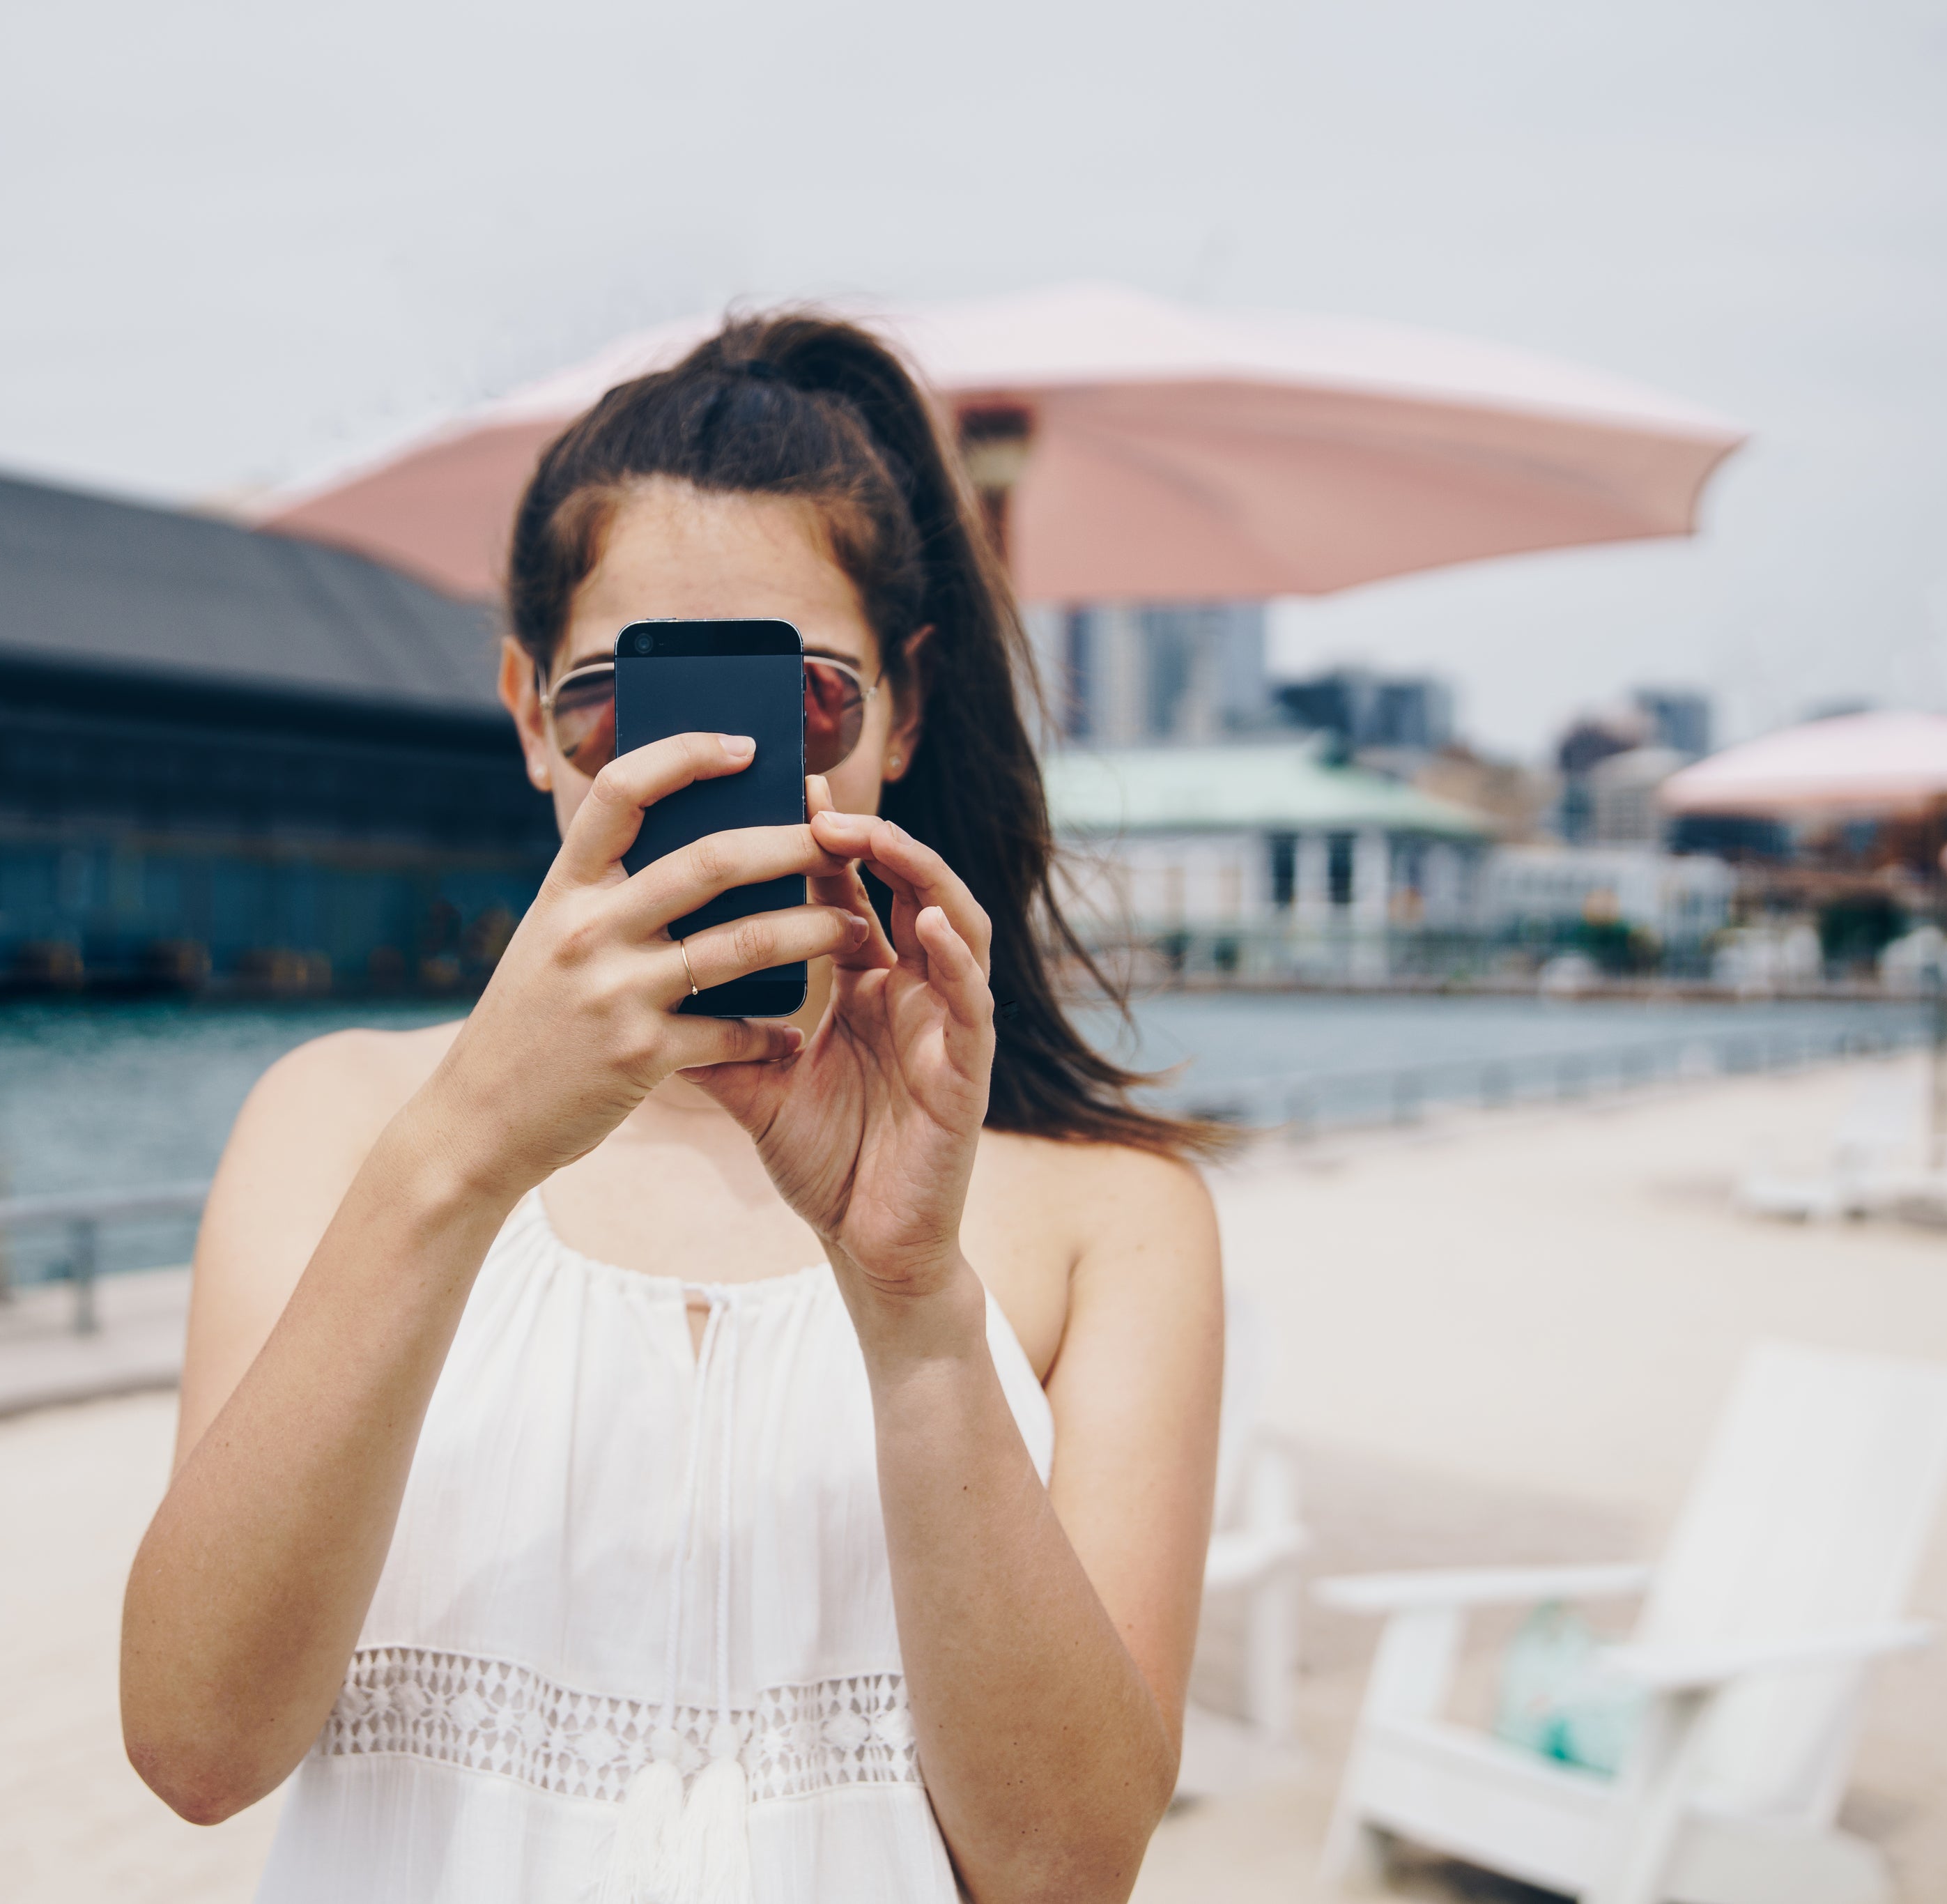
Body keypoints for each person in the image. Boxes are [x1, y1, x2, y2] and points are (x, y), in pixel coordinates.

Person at [122, 313, 1226, 1903]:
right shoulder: (344, 1121)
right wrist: (461, 1150)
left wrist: (914, 1304)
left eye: (805, 709)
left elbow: (1064, 1867)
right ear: (525, 713)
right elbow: (193, 1743)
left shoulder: (1106, 1219)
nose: (713, 779)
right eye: (616, 713)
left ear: (901, 713)